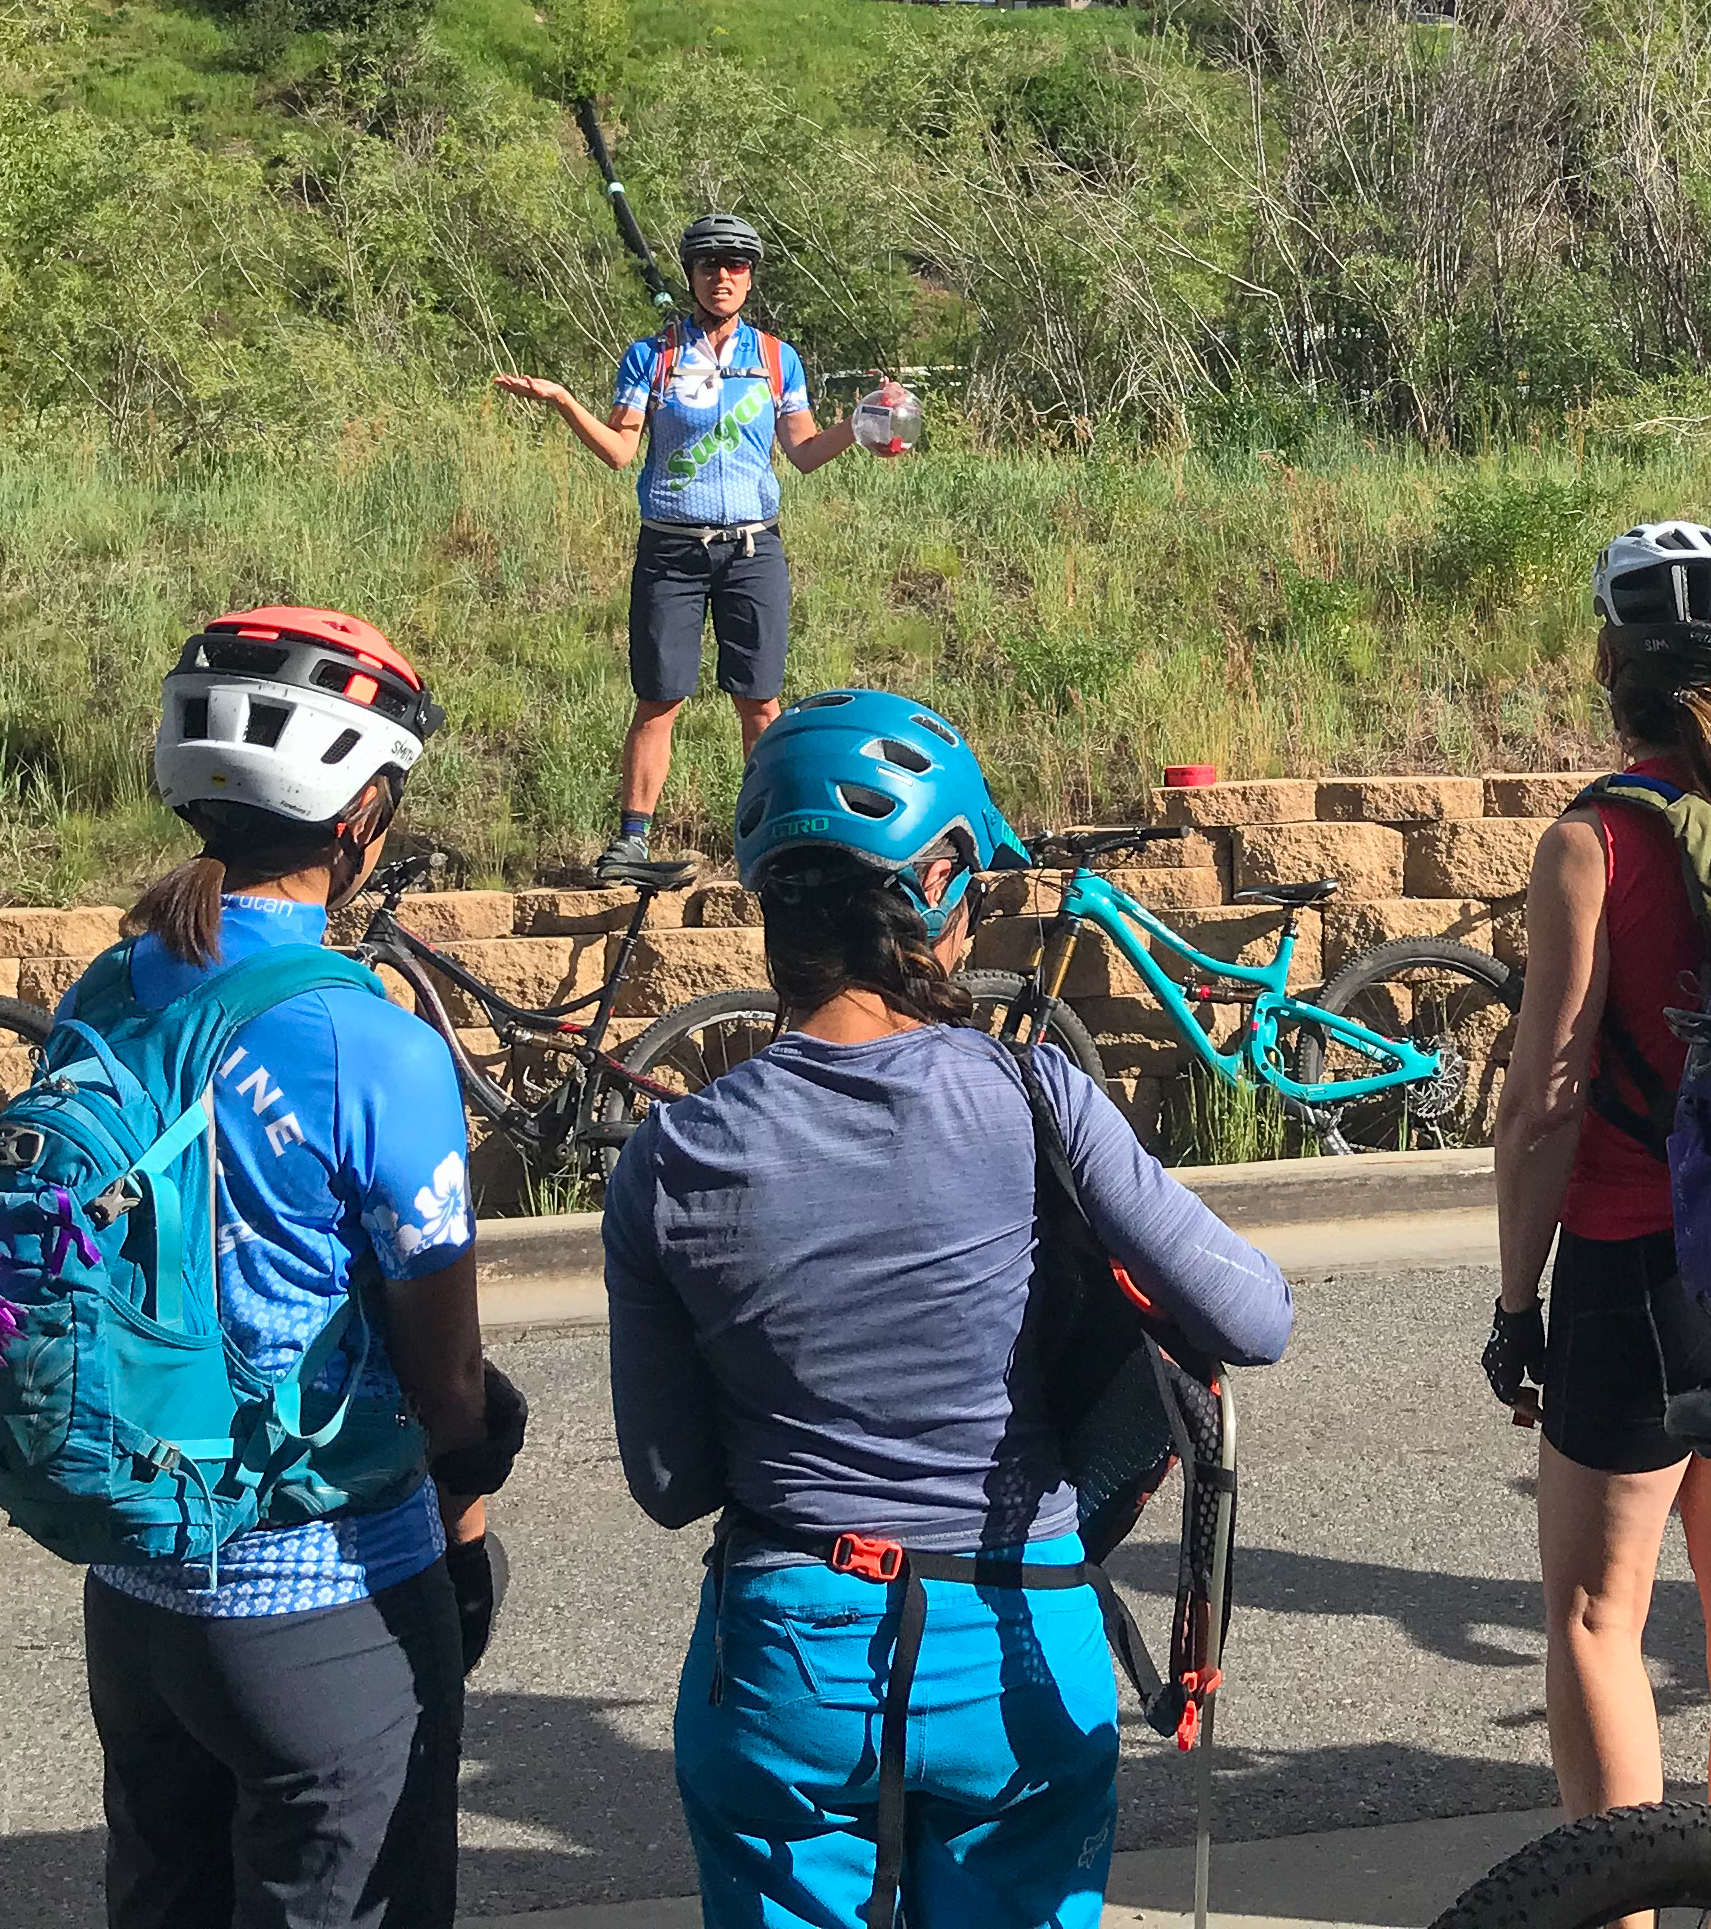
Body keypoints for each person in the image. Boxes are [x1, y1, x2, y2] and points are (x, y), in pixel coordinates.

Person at [604, 689, 1293, 1929]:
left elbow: (670, 1484)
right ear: (932, 888)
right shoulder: (1036, 1097)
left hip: (790, 1659)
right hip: (1019, 1653)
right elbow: (1254, 1319)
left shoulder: (668, 1161)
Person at [78, 606, 521, 1929]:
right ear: (362, 811)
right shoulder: (368, 1036)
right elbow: (443, 1378)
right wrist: (479, 1477)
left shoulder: (103, 990)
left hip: (133, 1592)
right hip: (320, 1600)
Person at [1484, 523, 1711, 1853]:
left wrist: (1517, 1301)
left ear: (1610, 661)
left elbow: (1545, 1103)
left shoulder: (1595, 840)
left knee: (1596, 1616)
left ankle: (1617, 1907)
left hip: (1632, 1265)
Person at [490, 210, 886, 886]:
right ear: (692, 276)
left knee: (760, 701)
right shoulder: (653, 355)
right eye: (710, 266)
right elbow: (620, 452)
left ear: (750, 277)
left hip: (754, 551)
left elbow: (804, 451)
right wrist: (561, 401)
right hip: (671, 550)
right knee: (659, 698)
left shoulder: (773, 357)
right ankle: (631, 844)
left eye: (736, 266)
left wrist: (861, 421)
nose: (723, 277)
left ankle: (772, 840)